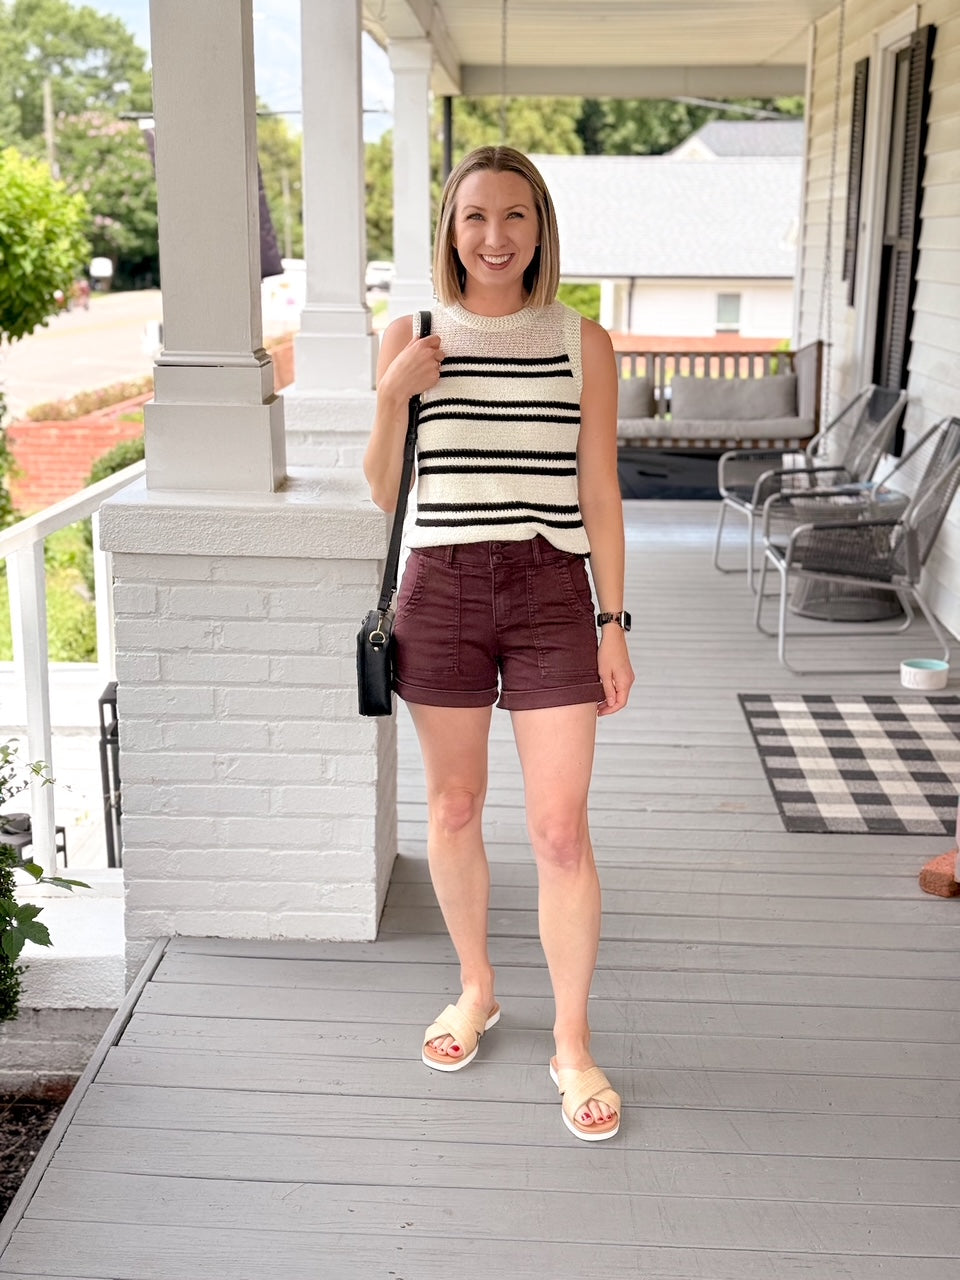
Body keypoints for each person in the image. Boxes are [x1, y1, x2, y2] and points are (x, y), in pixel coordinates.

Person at [363, 146, 634, 1142]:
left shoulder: (581, 340)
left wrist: (613, 620)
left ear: (539, 226)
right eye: (474, 215)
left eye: (514, 215)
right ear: (450, 226)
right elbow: (385, 490)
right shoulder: (413, 331)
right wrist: (395, 390)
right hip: (439, 588)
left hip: (551, 584)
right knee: (455, 803)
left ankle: (571, 1041)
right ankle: (476, 985)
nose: (494, 235)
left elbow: (599, 490)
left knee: (561, 830)